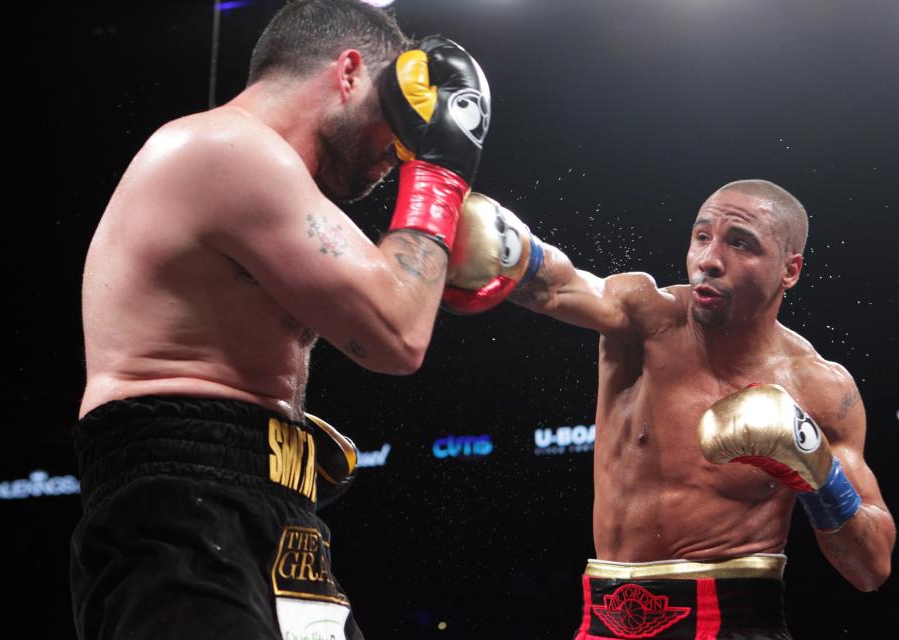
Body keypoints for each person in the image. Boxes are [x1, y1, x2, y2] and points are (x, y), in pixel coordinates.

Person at [72, 1, 491, 638]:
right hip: (182, 505)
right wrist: (443, 170)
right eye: (396, 116)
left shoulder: (277, 186)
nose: (402, 149)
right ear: (349, 72)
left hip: (274, 503)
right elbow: (397, 333)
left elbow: (405, 288)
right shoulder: (226, 148)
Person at [449, 180, 894, 638]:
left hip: (736, 624)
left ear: (790, 270)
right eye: (702, 237)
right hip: (603, 621)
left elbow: (870, 568)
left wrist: (818, 472)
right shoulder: (646, 319)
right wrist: (512, 251)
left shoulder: (819, 388)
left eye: (740, 244)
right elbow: (560, 287)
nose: (709, 261)